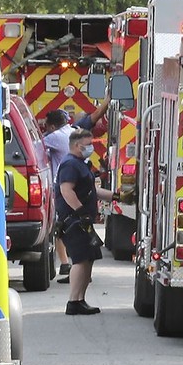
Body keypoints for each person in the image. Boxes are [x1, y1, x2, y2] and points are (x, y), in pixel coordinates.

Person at [44, 96, 110, 282]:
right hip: (81, 189)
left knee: (64, 229)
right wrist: (107, 99)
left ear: (50, 126)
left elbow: (34, 149)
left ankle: (69, 266)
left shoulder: (54, 138)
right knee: (79, 240)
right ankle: (75, 270)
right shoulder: (73, 131)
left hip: (68, 194)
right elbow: (95, 116)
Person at [55, 128, 119, 314]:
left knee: (89, 258)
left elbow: (93, 191)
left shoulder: (80, 164)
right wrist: (80, 212)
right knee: (80, 259)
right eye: (88, 144)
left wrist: (117, 197)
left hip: (82, 220)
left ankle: (80, 299)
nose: (91, 147)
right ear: (76, 145)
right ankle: (73, 301)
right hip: (74, 221)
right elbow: (67, 191)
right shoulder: (70, 165)